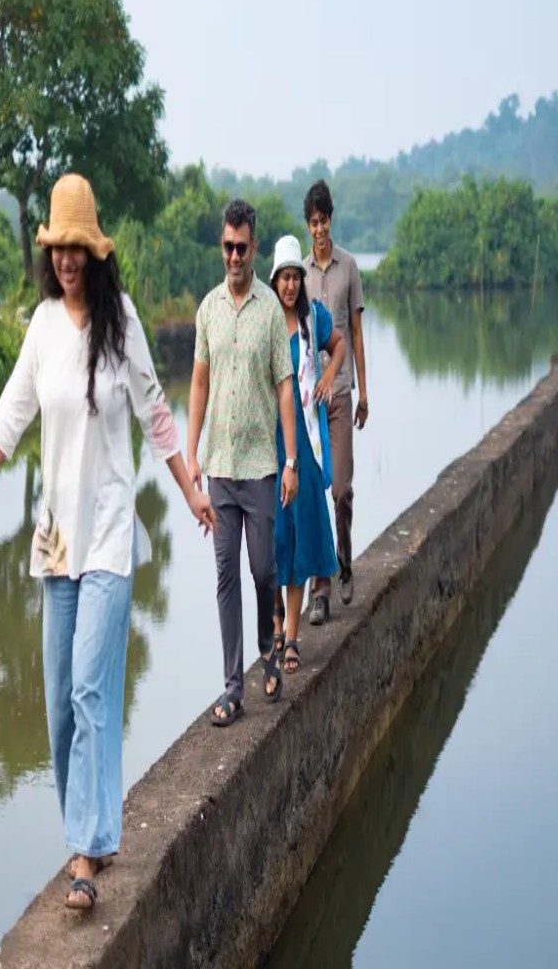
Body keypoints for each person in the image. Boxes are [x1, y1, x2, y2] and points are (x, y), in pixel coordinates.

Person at [0, 174, 215, 913]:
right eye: (57, 248)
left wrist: (187, 485)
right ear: (50, 253)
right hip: (57, 538)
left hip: (114, 533)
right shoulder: (41, 328)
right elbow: (8, 422)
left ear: (95, 253)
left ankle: (86, 851)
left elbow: (157, 413)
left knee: (92, 690)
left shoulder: (120, 321)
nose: (65, 259)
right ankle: (88, 828)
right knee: (59, 705)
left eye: (76, 248)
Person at [187, 199, 299, 727]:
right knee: (225, 575)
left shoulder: (270, 310)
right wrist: (191, 456)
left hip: (260, 464)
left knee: (262, 569)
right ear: (222, 246)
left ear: (255, 247)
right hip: (220, 466)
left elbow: (285, 387)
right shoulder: (208, 309)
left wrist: (292, 459)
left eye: (242, 247)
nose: (234, 255)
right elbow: (199, 383)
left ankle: (269, 647)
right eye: (228, 247)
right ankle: (234, 687)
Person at [269, 235, 345, 674]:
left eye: (297, 277)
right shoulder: (263, 323)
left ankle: (291, 637)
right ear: (275, 280)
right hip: (271, 447)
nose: (291, 285)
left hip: (306, 446)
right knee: (274, 542)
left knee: (298, 538)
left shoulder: (311, 320)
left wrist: (329, 376)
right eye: (285, 277)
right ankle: (277, 625)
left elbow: (338, 347)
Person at [302, 179, 369, 624]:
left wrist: (365, 391)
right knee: (311, 494)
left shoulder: (349, 268)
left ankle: (344, 561)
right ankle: (319, 588)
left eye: (324, 221)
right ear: (307, 226)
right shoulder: (298, 274)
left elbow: (356, 333)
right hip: (310, 404)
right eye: (313, 222)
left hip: (342, 395)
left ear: (332, 220)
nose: (320, 229)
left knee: (340, 490)